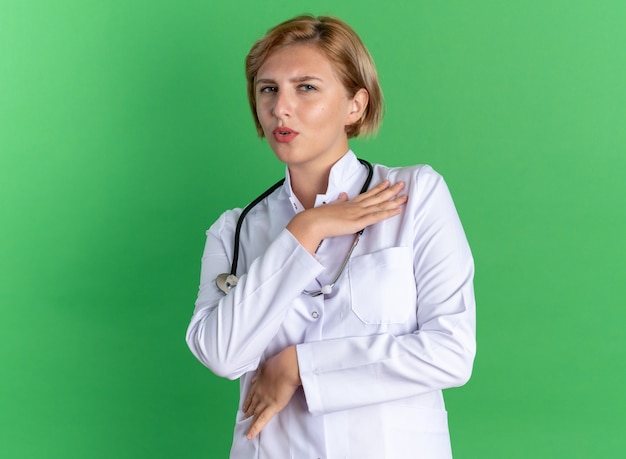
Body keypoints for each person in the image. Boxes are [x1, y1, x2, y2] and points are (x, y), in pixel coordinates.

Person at [186, 14, 476, 459]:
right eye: (268, 89)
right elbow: (222, 355)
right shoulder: (235, 230)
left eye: (306, 87)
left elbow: (450, 352)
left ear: (355, 105)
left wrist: (300, 366)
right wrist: (306, 230)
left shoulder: (414, 196)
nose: (281, 107)